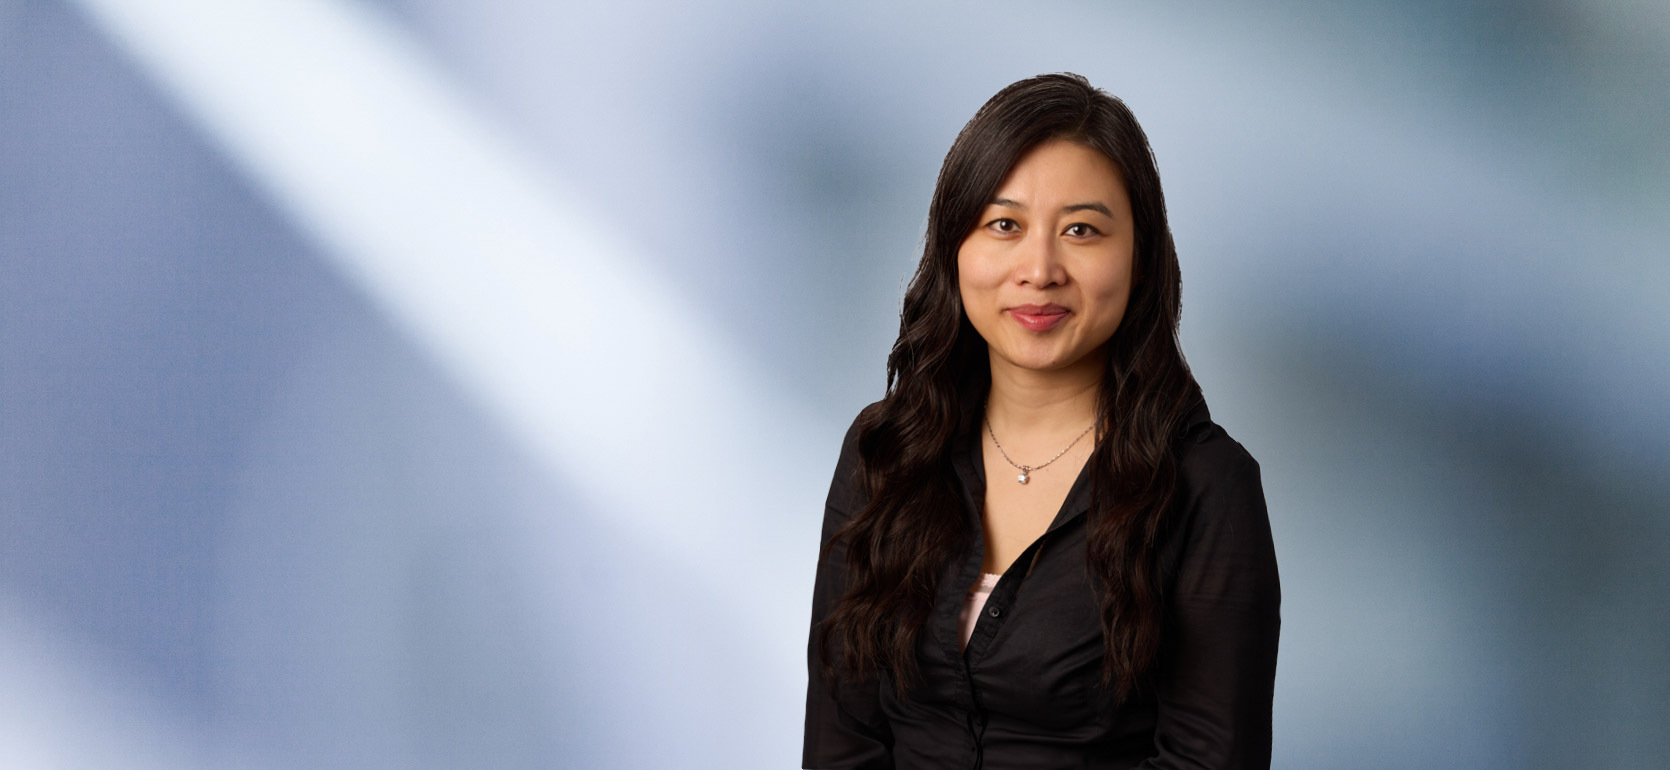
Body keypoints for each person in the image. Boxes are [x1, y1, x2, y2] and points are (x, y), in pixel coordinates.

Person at [802, 73, 1281, 769]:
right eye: (1005, 225)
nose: (1040, 268)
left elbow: (1210, 761)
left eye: (1082, 230)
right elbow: (840, 744)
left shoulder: (1207, 488)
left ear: (1141, 259)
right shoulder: (885, 452)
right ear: (953, 249)